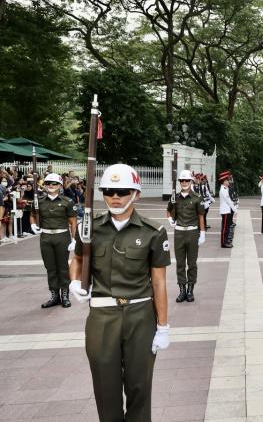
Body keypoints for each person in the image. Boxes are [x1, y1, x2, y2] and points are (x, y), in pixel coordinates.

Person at [68, 163, 171, 422]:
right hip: (102, 316)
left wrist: (163, 326)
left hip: (140, 315)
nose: (114, 197)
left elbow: (159, 282)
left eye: (122, 191)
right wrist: (73, 282)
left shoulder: (153, 232)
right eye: (108, 191)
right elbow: (77, 260)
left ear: (136, 193)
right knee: (105, 388)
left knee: (139, 387)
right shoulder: (90, 228)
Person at [30, 173, 77, 308]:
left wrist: (74, 239)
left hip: (62, 237)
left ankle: (65, 295)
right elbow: (33, 215)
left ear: (60, 186)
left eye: (54, 183)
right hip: (45, 237)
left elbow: (73, 222)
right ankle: (54, 295)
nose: (51, 185)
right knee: (50, 267)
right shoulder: (38, 201)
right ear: (44, 185)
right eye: (48, 183)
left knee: (62, 267)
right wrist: (33, 224)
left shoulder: (67, 201)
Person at [167, 170, 206, 303]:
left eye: (186, 180)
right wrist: (170, 220)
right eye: (181, 181)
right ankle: (182, 290)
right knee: (180, 263)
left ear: (191, 182)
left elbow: (201, 216)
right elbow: (169, 210)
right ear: (179, 182)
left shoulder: (197, 197)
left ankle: (190, 290)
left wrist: (203, 233)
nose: (184, 183)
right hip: (179, 233)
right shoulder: (174, 197)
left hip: (192, 232)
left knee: (192, 263)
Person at [219, 171, 237, 248]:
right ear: (224, 181)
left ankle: (225, 241)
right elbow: (228, 201)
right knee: (224, 228)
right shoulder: (223, 189)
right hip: (225, 211)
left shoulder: (225, 188)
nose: (229, 182)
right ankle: (223, 243)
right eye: (227, 180)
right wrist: (234, 209)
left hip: (227, 210)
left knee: (226, 227)